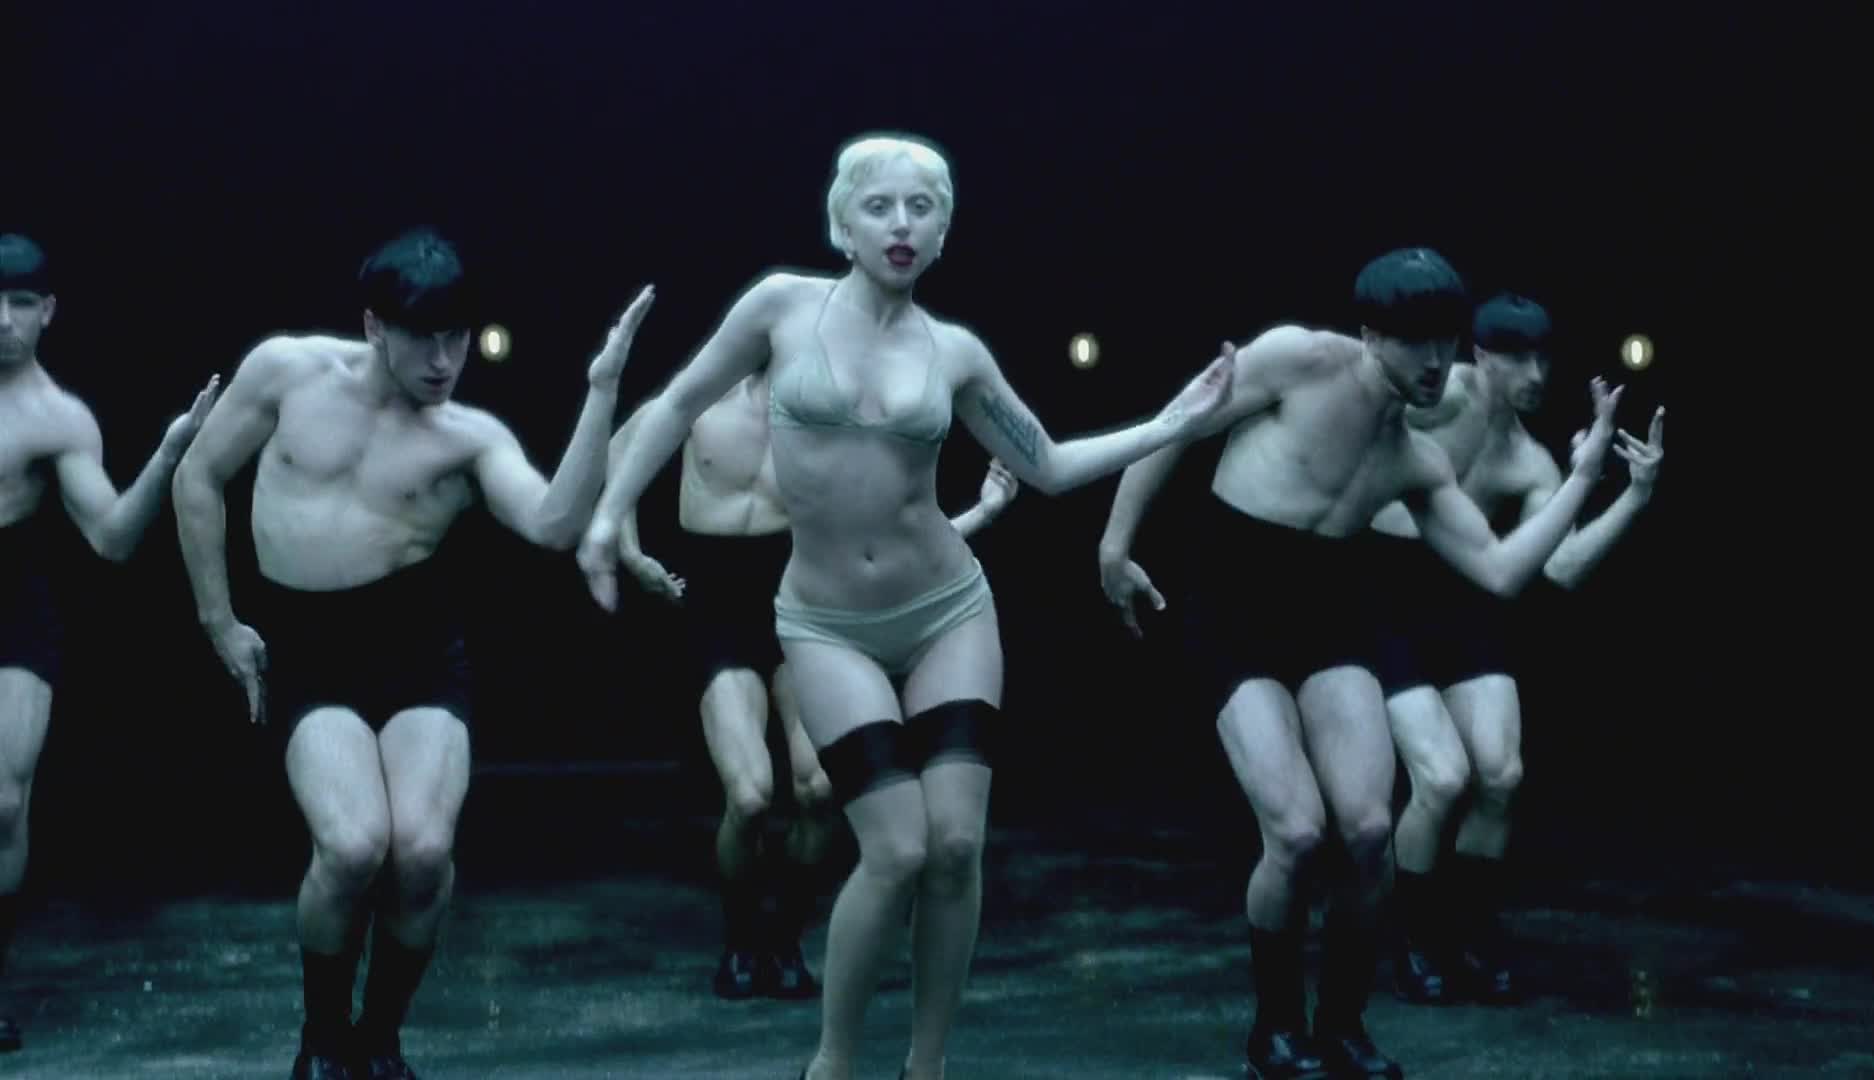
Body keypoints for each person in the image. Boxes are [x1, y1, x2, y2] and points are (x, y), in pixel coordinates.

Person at [576, 133, 1231, 1080]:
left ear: (943, 234)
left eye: (922, 209)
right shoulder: (780, 307)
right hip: (825, 621)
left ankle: (926, 1067)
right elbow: (675, 406)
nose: (901, 224)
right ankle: (834, 1063)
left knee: (956, 845)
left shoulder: (955, 353)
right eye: (879, 206)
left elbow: (1048, 465)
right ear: (842, 226)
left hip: (945, 609)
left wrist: (1170, 425)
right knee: (893, 848)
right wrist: (607, 521)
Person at [1096, 249, 1620, 1080]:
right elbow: (1176, 425)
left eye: (1445, 341)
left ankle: (1341, 1024)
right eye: (1415, 341)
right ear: (1372, 335)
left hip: (1329, 622)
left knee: (1371, 830)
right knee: (1297, 833)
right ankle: (1275, 1029)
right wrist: (1115, 544)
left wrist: (1586, 475)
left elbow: (1500, 571)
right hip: (1234, 620)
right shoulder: (1297, 359)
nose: (1435, 361)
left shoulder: (1415, 460)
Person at [171, 227, 651, 1080]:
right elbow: (197, 477)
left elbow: (552, 524)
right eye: (423, 339)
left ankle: (380, 1038)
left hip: (416, 650)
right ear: (373, 327)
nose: (443, 361)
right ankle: (323, 1037)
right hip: (310, 649)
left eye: (457, 339)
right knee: (354, 846)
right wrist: (220, 621)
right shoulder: (286, 372)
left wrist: (601, 391)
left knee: (423, 852)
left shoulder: (467, 436)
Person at [609, 383, 1020, 1003]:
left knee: (821, 791)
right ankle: (740, 940)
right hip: (717, 614)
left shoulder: (823, 416)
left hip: (803, 609)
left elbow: (891, 530)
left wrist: (982, 512)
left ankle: (782, 937)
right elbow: (620, 449)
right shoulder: (700, 394)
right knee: (749, 796)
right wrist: (629, 550)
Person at [1368, 293, 1664, 1005]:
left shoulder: (1529, 460)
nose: (1537, 374)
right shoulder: (1431, 401)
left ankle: (1468, 935)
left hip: (1463, 608)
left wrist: (1634, 495)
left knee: (1501, 776)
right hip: (1382, 601)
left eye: (1543, 359)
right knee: (1441, 779)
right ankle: (1410, 938)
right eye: (1518, 358)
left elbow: (1560, 567)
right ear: (1480, 357)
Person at [0, 233, 218, 1053]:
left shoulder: (58, 419)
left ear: (47, 312)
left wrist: (168, 452)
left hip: (12, 610)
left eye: (21, 302)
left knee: (4, 801)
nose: (4, 319)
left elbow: (113, 537)